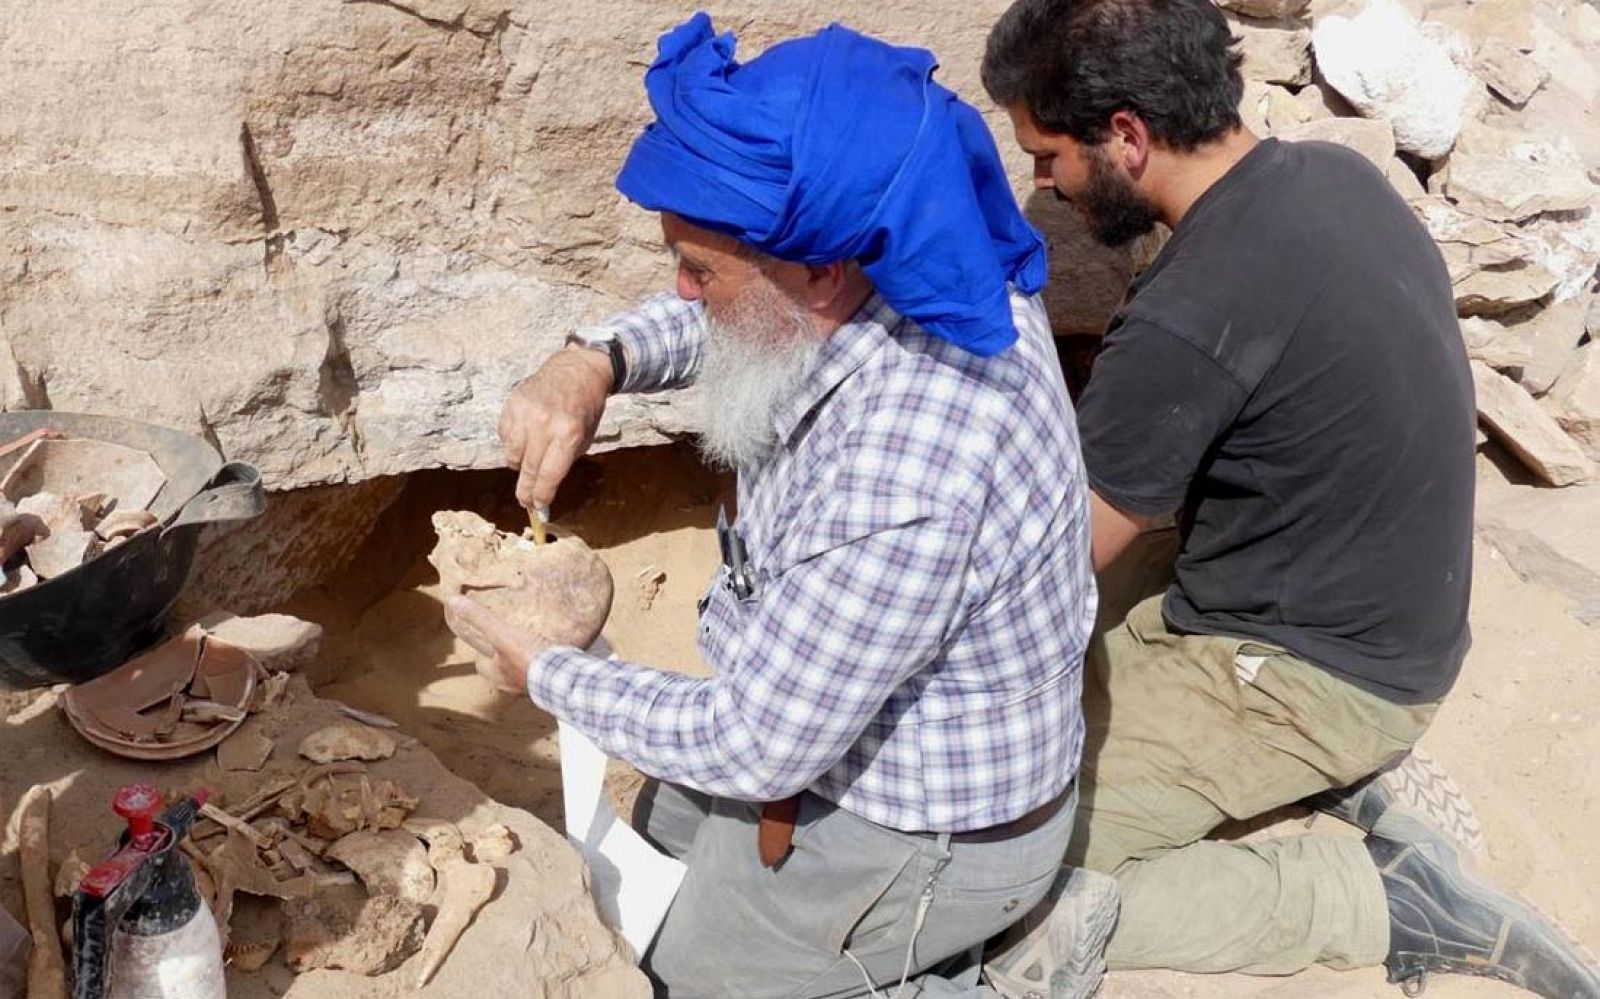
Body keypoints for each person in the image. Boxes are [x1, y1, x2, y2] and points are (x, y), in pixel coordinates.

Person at [449, 13, 1098, 998]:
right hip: (816, 721)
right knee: (656, 852)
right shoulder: (911, 253)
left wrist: (545, 672)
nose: (679, 287)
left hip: (922, 829)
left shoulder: (911, 466)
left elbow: (757, 745)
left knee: (670, 971)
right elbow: (741, 312)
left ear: (824, 269)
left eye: (698, 269)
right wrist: (594, 359)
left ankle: (985, 967)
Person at [976, 0, 1600, 996]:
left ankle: (1367, 899)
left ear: (1129, 136)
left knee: (982, 870)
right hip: (1381, 616)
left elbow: (1033, 573)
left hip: (1312, 673)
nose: (1040, 182)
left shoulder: (1191, 310)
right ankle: (1324, 782)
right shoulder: (1330, 176)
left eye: (1047, 155)